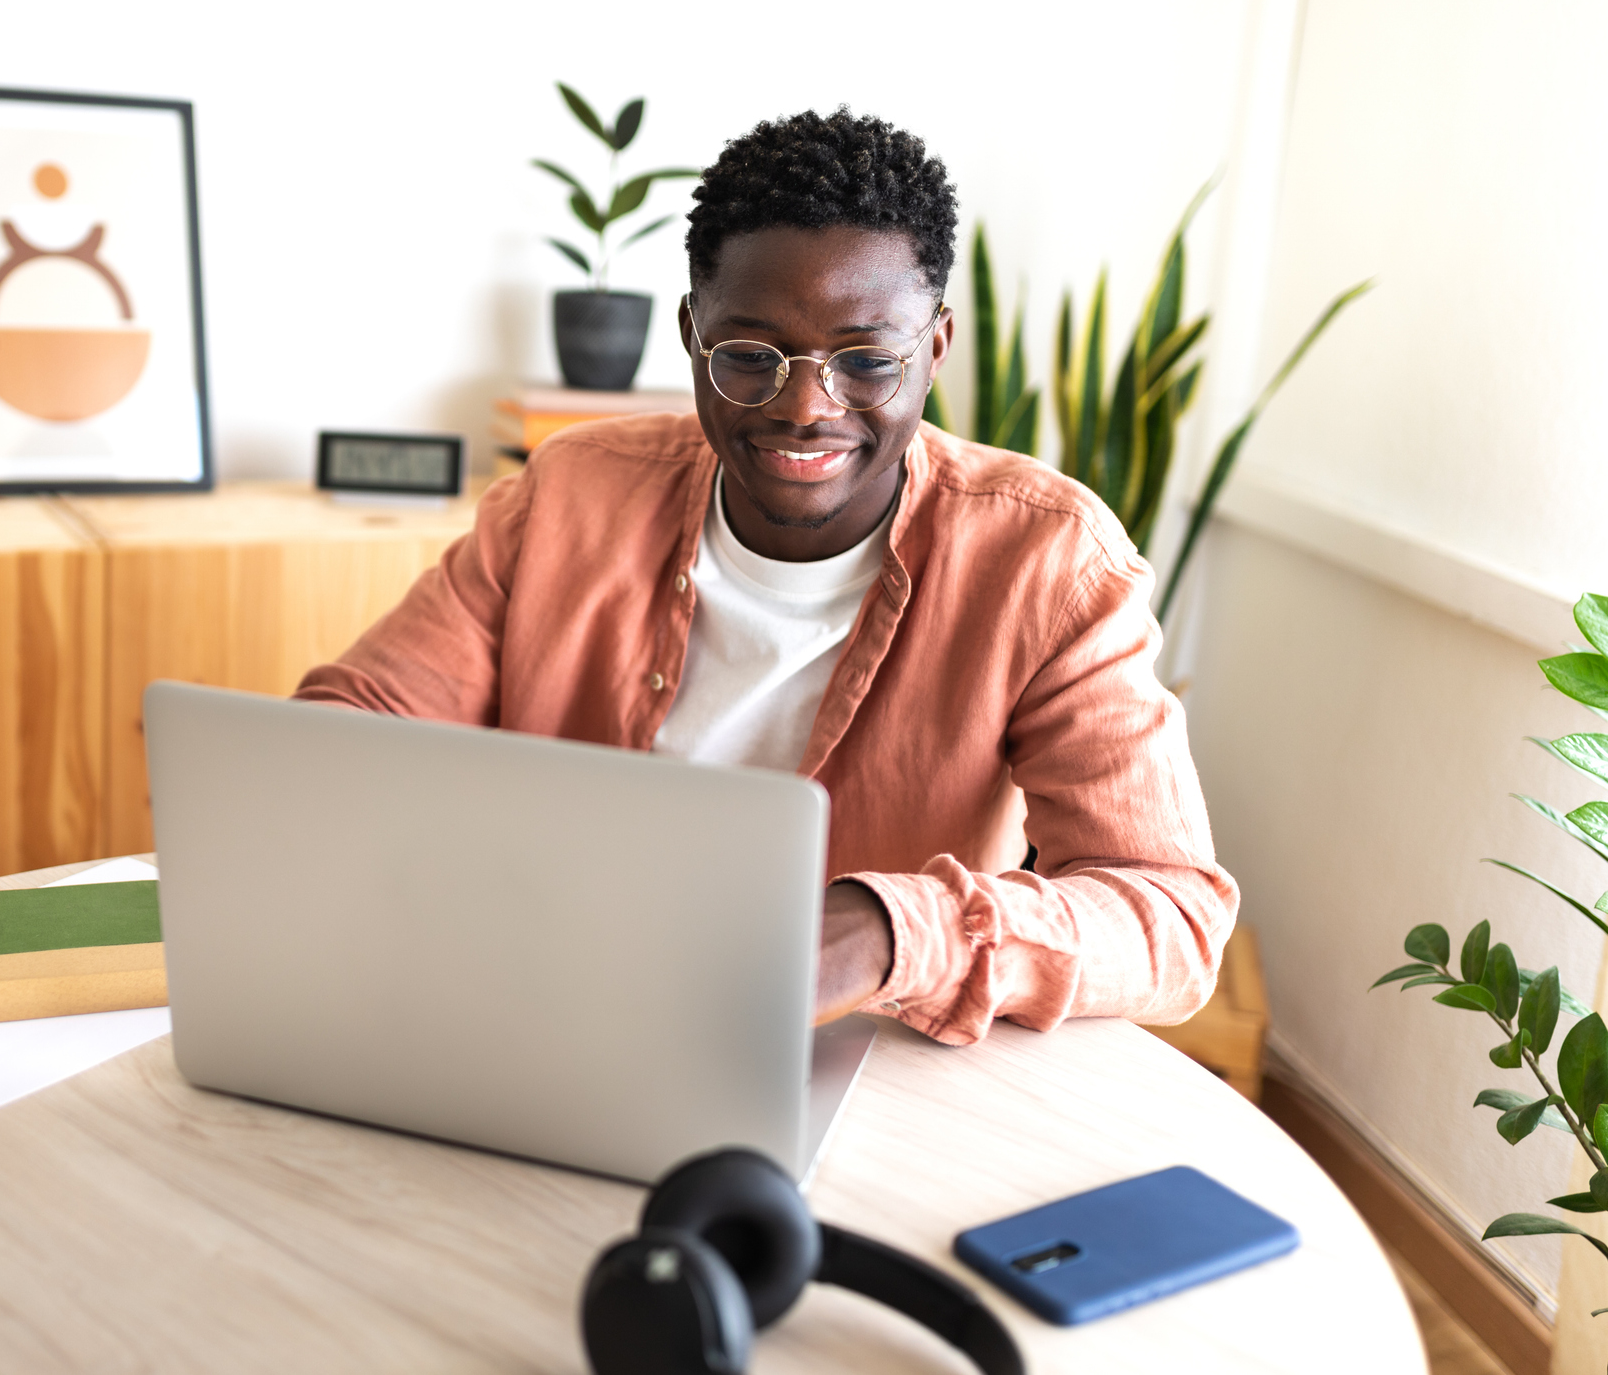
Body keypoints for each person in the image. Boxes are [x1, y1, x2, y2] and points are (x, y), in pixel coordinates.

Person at [297, 108, 1237, 1045]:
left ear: (935, 347)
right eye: (749, 357)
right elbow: (355, 725)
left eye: (866, 360)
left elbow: (1172, 917)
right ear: (690, 334)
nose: (803, 406)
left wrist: (883, 932)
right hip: (537, 1002)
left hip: (841, 1056)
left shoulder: (1047, 564)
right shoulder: (569, 496)